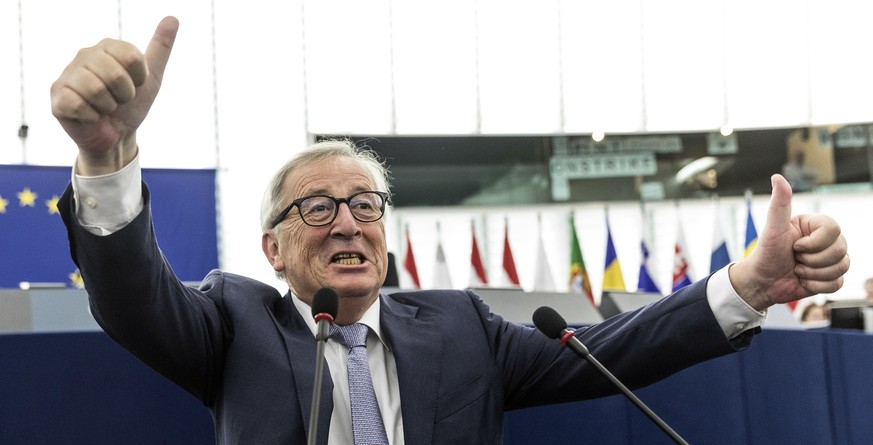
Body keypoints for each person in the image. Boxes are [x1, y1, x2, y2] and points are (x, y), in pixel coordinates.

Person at [50, 17, 850, 445]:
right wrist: (103, 158)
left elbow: (615, 352)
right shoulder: (232, 319)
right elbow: (130, 301)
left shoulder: (463, 328)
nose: (348, 223)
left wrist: (747, 284)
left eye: (366, 204)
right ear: (273, 247)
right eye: (317, 207)